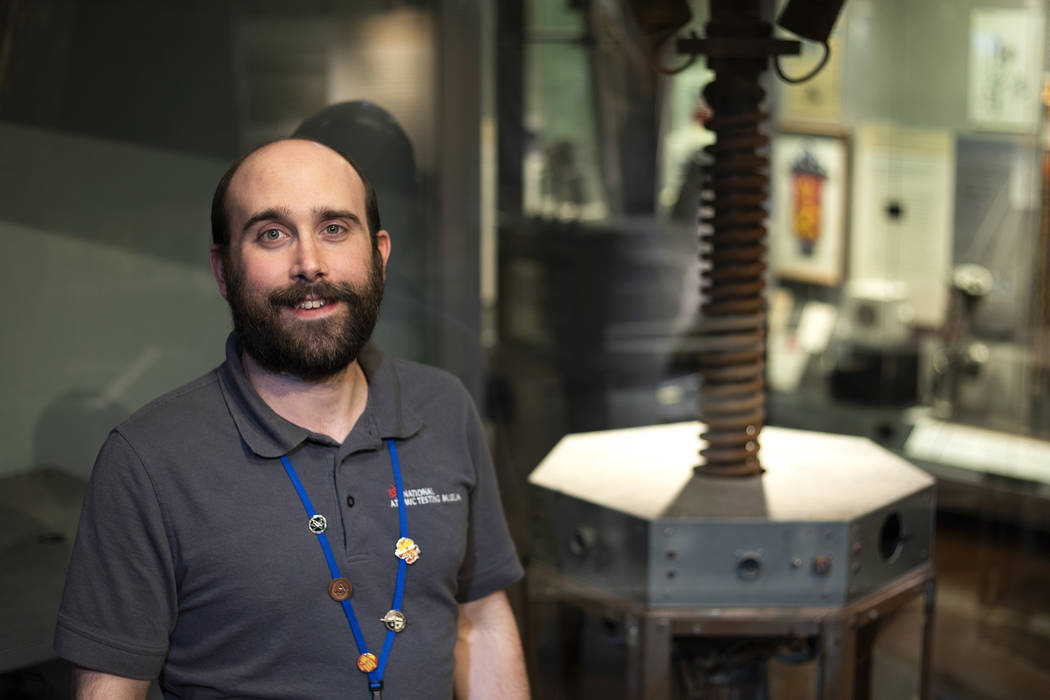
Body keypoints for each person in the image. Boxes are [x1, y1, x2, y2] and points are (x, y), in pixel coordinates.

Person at [54, 138, 529, 699]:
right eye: (272, 235)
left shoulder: (444, 407)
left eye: (334, 228)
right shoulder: (148, 460)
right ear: (224, 270)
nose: (310, 264)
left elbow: (480, 623)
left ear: (379, 254)